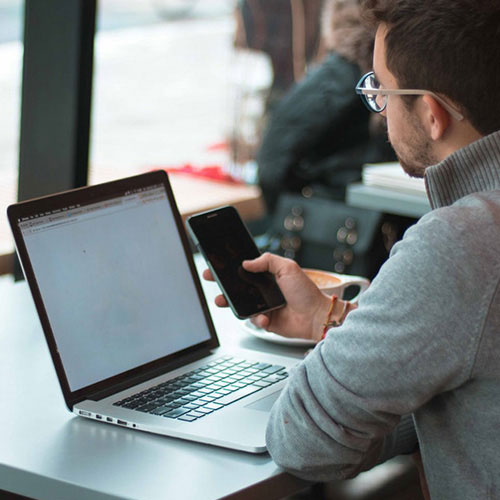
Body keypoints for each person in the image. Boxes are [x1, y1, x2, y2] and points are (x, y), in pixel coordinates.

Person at [204, 0, 500, 498]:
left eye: (381, 90)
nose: (379, 110)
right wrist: (334, 319)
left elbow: (304, 441)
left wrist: (342, 354)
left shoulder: (460, 244)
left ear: (431, 114)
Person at [256, 0, 395, 212]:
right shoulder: (354, 77)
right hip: (368, 217)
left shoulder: (340, 77)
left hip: (351, 218)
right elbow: (273, 161)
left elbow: (272, 162)